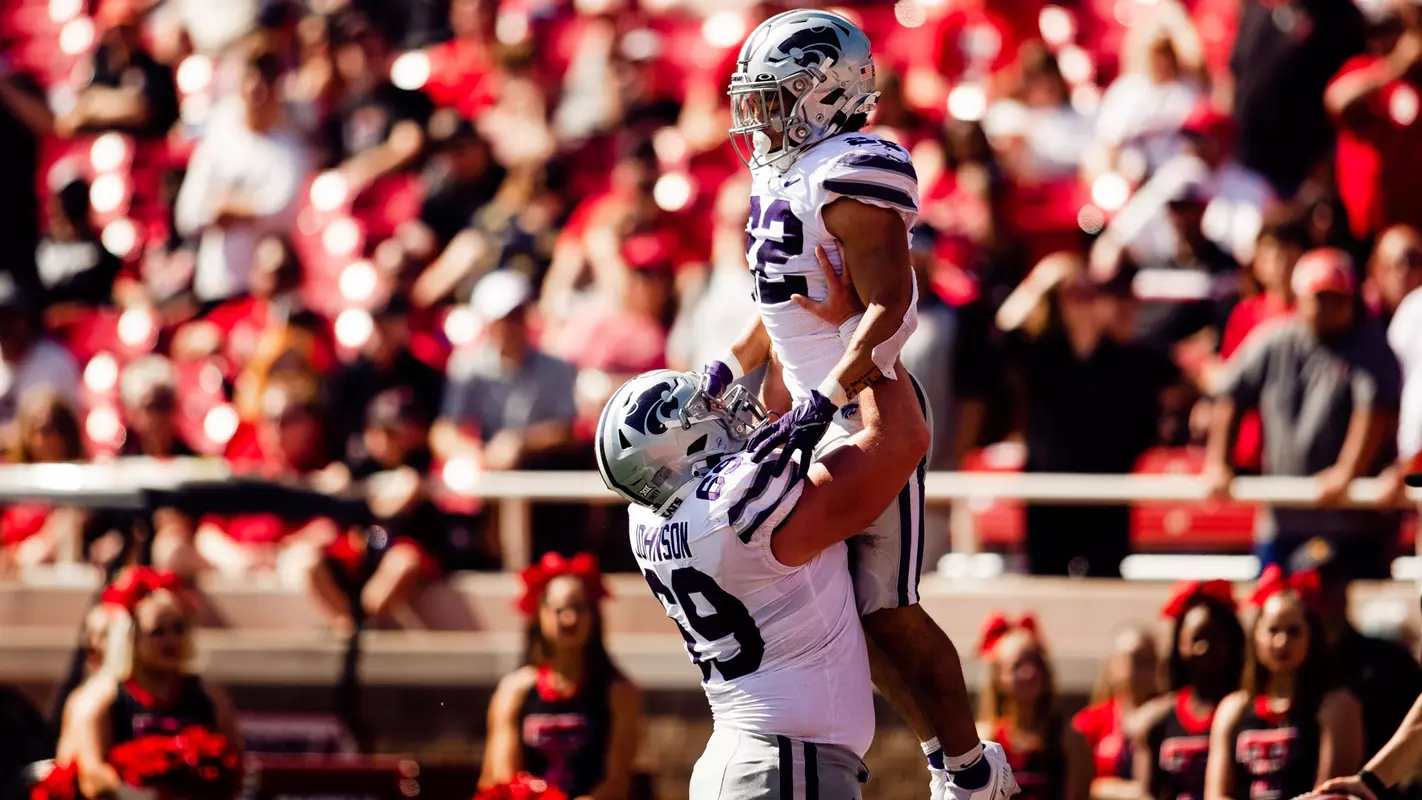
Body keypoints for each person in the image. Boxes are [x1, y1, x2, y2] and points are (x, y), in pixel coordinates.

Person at [709, 12, 1001, 797]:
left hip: (864, 412)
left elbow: (892, 306)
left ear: (826, 92)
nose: (758, 115)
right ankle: (949, 761)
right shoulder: (783, 173)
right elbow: (784, 304)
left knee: (889, 607)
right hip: (810, 414)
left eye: (775, 97)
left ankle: (973, 770)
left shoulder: (853, 169)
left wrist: (831, 393)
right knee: (846, 611)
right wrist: (730, 366)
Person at [598, 366, 1014, 798]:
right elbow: (903, 438)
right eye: (705, 410)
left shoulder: (649, 519)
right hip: (785, 768)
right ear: (683, 443)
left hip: (759, 762)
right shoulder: (737, 512)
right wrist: (867, 339)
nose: (723, 409)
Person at [1205, 248, 1403, 578]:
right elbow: (1230, 397)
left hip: (1345, 522)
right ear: (1299, 297)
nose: (1329, 306)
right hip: (1280, 520)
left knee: (1325, 614)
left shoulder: (1369, 346)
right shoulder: (1273, 340)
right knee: (1270, 606)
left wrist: (1346, 471)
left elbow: (1374, 412)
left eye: (1337, 297)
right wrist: (1218, 462)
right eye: (1319, 297)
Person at [56, 568, 241, 799]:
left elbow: (235, 764)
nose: (171, 640)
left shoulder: (207, 695)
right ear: (131, 637)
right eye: (158, 632)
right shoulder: (100, 699)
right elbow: (91, 775)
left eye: (179, 628)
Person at [481, 554, 641, 799]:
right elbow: (504, 779)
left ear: (594, 617)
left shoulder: (618, 692)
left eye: (579, 608)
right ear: (540, 614)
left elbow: (616, 783)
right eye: (560, 609)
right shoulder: (514, 692)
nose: (570, 619)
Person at [1202, 567, 1363, 800]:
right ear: (1256, 635)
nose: (1281, 642)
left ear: (1312, 636)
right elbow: (1216, 795)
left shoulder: (1335, 706)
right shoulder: (1232, 709)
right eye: (1273, 630)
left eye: (1294, 632)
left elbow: (1329, 795)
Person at [173, 46, 311, 305]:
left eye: (264, 83)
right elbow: (188, 215)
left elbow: (284, 214)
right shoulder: (219, 140)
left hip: (270, 294)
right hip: (217, 286)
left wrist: (230, 206)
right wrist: (233, 209)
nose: (256, 92)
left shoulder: (291, 149)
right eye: (250, 81)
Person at [1286, 539, 1422, 762]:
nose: (1324, 592)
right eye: (1312, 584)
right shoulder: (1283, 665)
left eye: (1332, 581)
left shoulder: (1389, 661)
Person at [433, 271, 578, 470]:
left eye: (514, 317)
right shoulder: (466, 366)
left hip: (544, 472)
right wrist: (472, 454)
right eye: (498, 320)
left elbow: (567, 431)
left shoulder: (556, 368)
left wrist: (521, 442)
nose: (506, 328)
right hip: (488, 478)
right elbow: (445, 431)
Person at [1132, 581, 1247, 800]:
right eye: (1196, 638)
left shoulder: (1245, 714)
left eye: (1214, 639)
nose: (1204, 649)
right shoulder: (1156, 721)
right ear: (1179, 644)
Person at [975, 614, 1090, 800]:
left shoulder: (1069, 740)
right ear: (998, 678)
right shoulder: (984, 740)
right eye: (1018, 666)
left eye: (1035, 663)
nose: (1030, 673)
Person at [1074, 628, 1162, 783]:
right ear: (1112, 664)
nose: (1142, 668)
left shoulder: (1169, 715)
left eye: (1148, 659)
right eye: (1134, 658)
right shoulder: (1090, 721)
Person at [0, 276, 81, 427]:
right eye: (0, 318)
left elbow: (65, 432)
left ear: (27, 319)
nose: (5, 327)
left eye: (12, 318)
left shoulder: (55, 363)